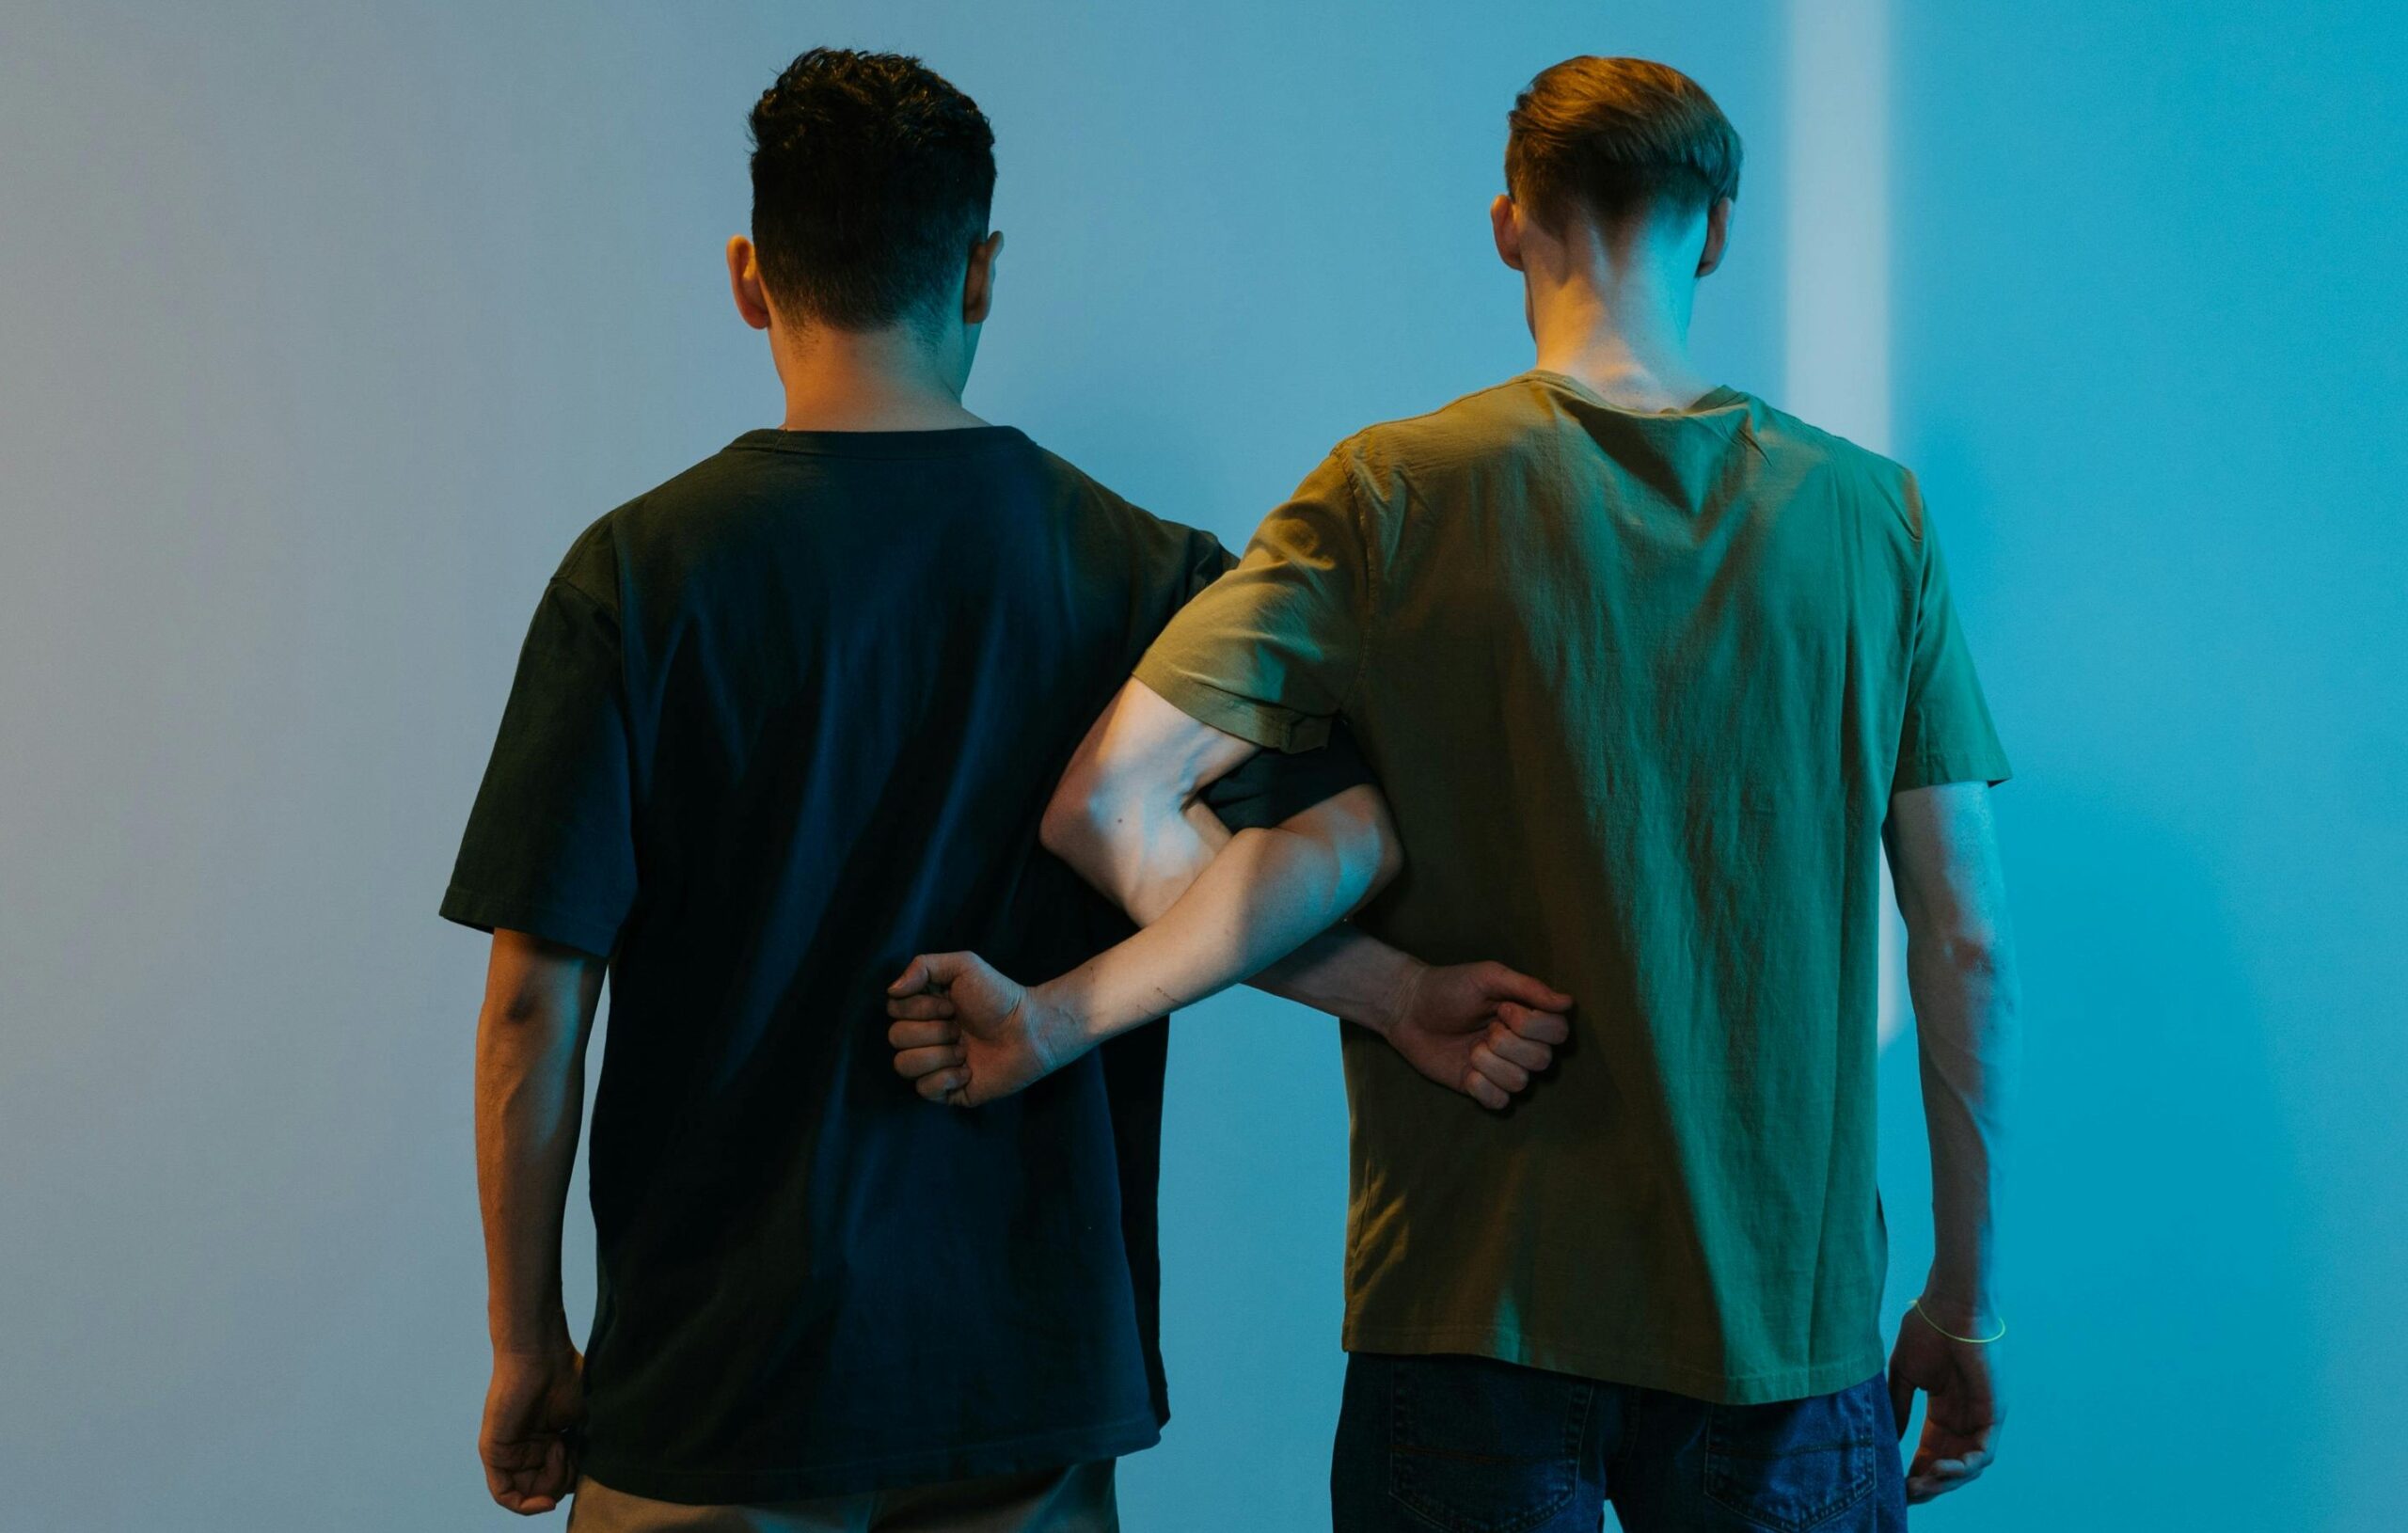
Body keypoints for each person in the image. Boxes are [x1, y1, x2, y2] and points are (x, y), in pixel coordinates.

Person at [444, 47, 1568, 1532]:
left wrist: (529, 1345)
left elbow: (536, 1004)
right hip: (1021, 1384)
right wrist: (1395, 993)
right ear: (979, 274)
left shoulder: (638, 581)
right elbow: (1304, 848)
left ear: (747, 276)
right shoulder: (1146, 571)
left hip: (712, 1394)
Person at [891, 55, 2020, 1531]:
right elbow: (1968, 937)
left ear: (1510, 225)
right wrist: (1963, 1299)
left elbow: (1107, 805)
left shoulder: (1391, 495)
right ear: (1721, 230)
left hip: (1472, 1309)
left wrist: (1386, 988)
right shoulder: (1874, 518)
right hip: (1783, 1332)